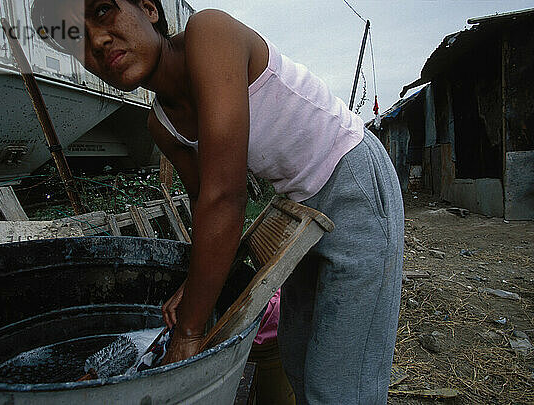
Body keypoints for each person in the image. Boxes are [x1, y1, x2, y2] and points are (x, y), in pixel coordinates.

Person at [31, 1, 404, 403]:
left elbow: (225, 197)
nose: (98, 40)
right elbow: (205, 207)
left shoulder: (209, 33)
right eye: (77, 40)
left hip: (352, 180)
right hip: (299, 205)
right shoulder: (162, 125)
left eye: (103, 10)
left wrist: (189, 333)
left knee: (341, 384)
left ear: (148, 8)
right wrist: (196, 283)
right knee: (298, 354)